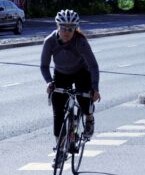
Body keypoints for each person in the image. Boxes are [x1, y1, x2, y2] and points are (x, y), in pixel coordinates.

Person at [40, 9, 100, 149]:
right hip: (61, 73)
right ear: (57, 26)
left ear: (75, 28)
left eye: (71, 28)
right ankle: (60, 148)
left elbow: (93, 66)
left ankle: (89, 119)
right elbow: (44, 65)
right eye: (63, 28)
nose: (67, 32)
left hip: (81, 72)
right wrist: (49, 82)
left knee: (84, 99)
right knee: (58, 111)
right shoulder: (49, 41)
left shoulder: (81, 41)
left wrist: (95, 88)